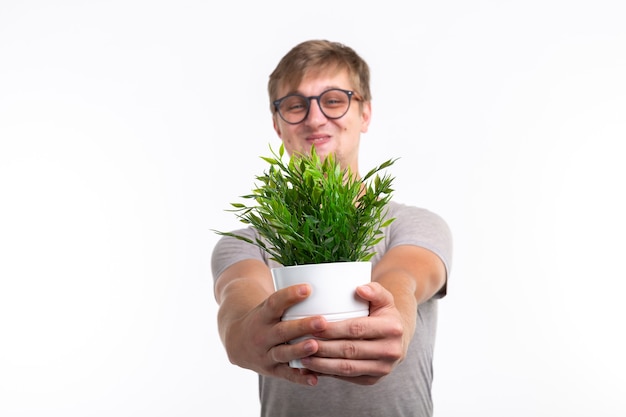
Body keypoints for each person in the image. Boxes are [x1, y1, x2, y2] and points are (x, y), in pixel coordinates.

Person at [211, 39, 453, 417]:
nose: (315, 117)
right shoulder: (249, 241)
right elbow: (238, 296)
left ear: (365, 113)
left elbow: (403, 277)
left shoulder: (413, 225)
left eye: (335, 100)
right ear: (277, 123)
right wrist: (240, 334)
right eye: (295, 105)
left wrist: (394, 321)